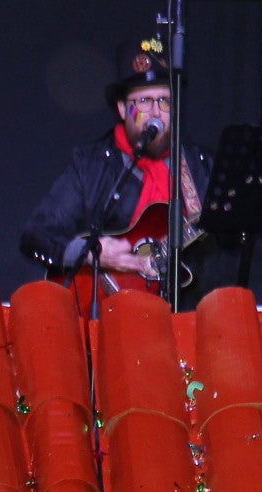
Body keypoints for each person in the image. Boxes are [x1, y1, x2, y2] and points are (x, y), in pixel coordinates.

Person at [22, 35, 209, 299]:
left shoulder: (198, 167)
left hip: (182, 316)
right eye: (143, 102)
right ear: (122, 109)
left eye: (165, 101)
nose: (156, 112)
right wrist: (91, 253)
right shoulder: (91, 166)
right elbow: (36, 236)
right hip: (106, 315)